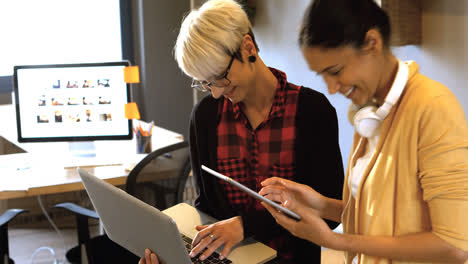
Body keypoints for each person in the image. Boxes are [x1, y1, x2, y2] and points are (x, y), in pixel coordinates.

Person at [259, 0, 468, 263]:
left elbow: (454, 245)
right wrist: (319, 203)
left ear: (372, 43)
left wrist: (333, 240)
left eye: (335, 71)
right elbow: (379, 217)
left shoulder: (432, 108)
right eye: (322, 75)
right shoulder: (370, 111)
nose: (331, 88)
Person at [140, 0, 344, 263]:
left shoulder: (312, 111)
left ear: (248, 47)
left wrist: (246, 226)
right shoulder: (206, 116)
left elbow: (329, 214)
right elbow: (206, 208)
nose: (216, 92)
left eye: (220, 76)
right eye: (205, 83)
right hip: (227, 258)